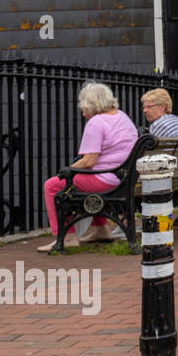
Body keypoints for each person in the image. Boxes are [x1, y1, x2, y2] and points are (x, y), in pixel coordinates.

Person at [38, 82, 139, 252]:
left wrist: (67, 170)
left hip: (105, 179)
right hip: (123, 177)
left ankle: (67, 237)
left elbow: (88, 161)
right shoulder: (122, 117)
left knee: (52, 185)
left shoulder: (96, 123)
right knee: (83, 180)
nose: (82, 109)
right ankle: (102, 230)